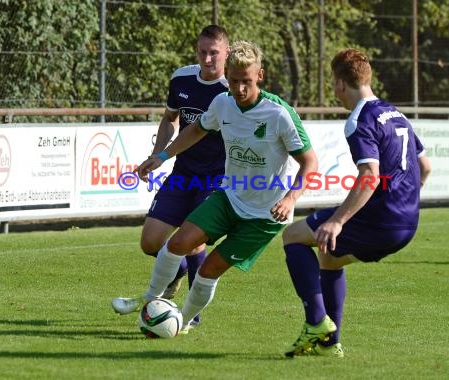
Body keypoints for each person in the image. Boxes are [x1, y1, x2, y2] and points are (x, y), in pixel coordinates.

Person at [121, 40, 317, 334]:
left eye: (246, 82)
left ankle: (182, 322)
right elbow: (197, 129)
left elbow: (310, 162)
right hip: (229, 197)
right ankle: (148, 300)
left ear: (260, 76)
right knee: (176, 244)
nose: (239, 89)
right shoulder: (223, 103)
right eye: (234, 81)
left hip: (264, 216)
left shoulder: (279, 114)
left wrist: (291, 198)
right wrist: (162, 155)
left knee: (208, 269)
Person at [282, 48, 431, 358]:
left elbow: (369, 177)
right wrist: (403, 201)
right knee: (329, 257)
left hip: (382, 220)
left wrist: (337, 220)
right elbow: (425, 167)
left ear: (339, 84)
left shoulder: (359, 120)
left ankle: (315, 324)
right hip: (408, 221)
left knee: (293, 236)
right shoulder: (396, 114)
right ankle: (328, 343)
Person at [111, 25, 230, 327]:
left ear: (226, 53)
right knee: (150, 243)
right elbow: (169, 119)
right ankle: (175, 273)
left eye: (214, 53)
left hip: (216, 178)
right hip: (182, 173)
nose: (207, 58)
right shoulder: (181, 78)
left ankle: (191, 315)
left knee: (193, 240)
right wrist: (157, 154)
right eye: (202, 52)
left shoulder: (232, 90)